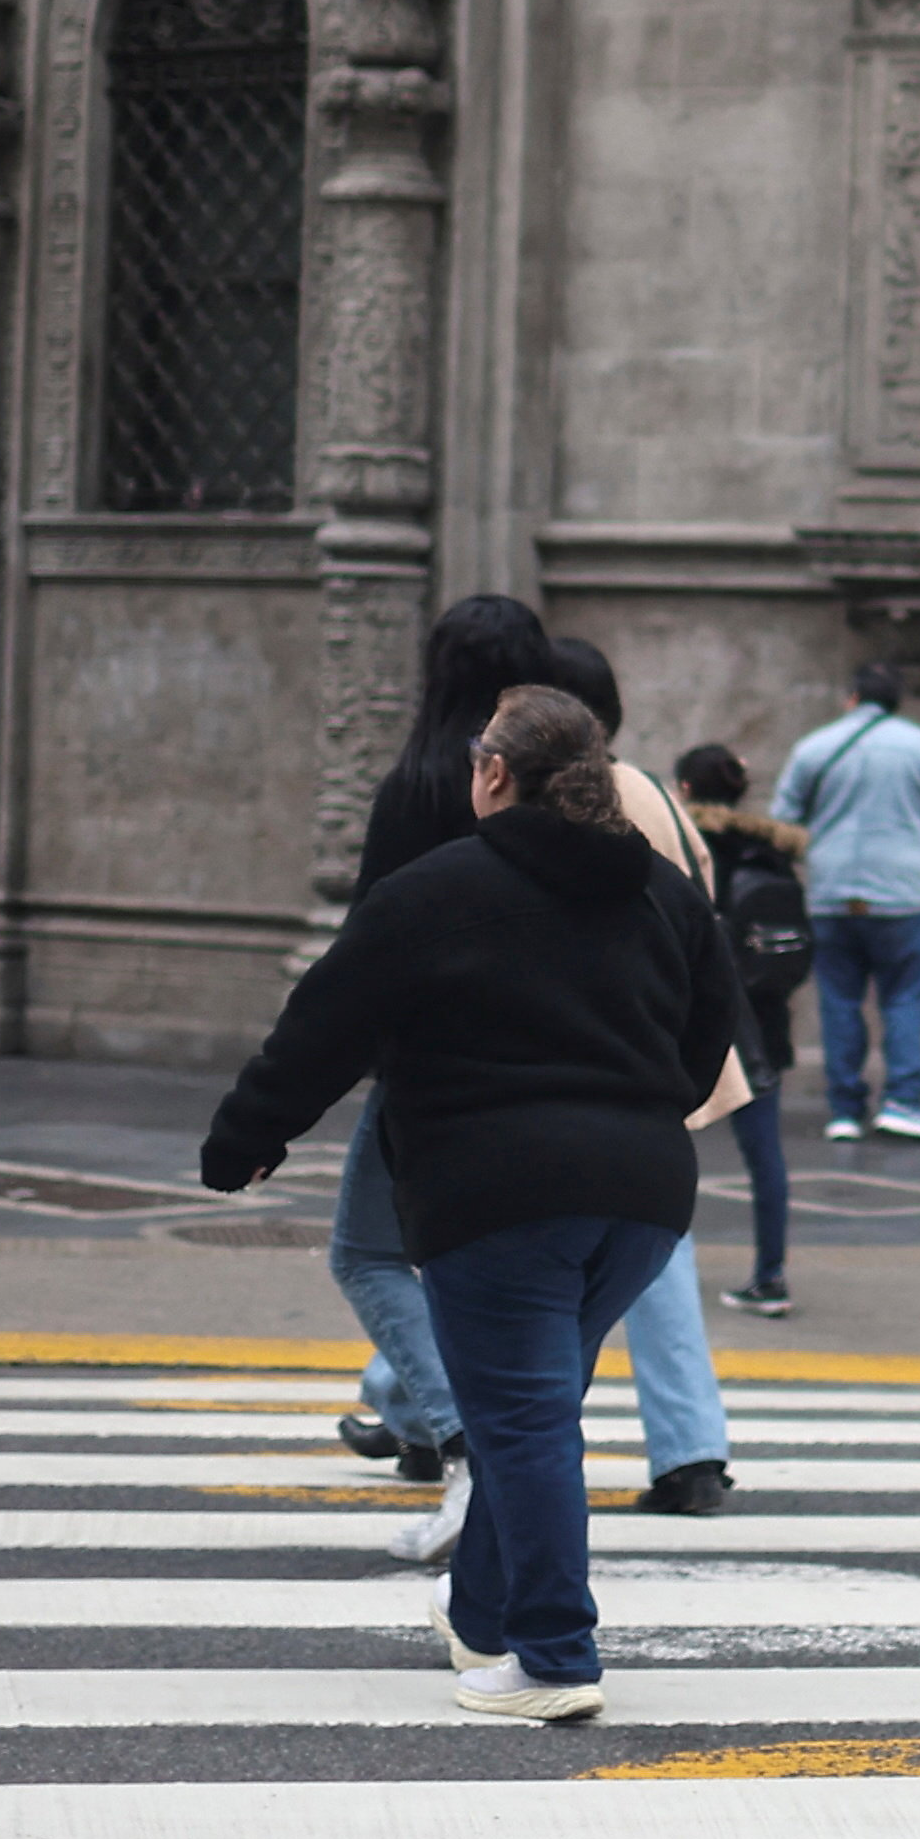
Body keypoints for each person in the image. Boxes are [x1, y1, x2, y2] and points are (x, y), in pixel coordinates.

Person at [201, 684, 749, 1723]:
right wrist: (632, 1113)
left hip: (497, 1190)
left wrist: (243, 1143)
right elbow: (708, 1035)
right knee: (528, 1415)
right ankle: (485, 1617)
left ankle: (551, 1654)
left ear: (493, 772)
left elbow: (322, 1026)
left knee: (526, 1421)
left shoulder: (434, 889)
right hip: (639, 1196)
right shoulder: (665, 894)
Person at [324, 593, 559, 1520]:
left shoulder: (421, 784)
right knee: (488, 1265)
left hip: (435, 1068)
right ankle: (427, 1429)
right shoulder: (580, 793)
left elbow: (366, 948)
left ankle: (463, 1437)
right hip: (558, 1065)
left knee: (368, 1252)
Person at [547, 636, 740, 1517]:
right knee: (654, 1248)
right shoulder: (656, 791)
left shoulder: (566, 798)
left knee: (485, 1245)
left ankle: (419, 1407)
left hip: (589, 1053)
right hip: (666, 1057)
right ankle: (691, 1451)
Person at [771, 661, 920, 1143]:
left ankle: (844, 1110)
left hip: (832, 894)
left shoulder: (815, 746)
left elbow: (783, 820)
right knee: (903, 998)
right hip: (900, 894)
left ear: (851, 697)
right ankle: (903, 1100)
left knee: (838, 1000)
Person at [676, 742, 809, 1320]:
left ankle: (655, 1273)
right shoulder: (772, 852)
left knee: (664, 1147)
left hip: (693, 1019)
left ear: (683, 790)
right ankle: (771, 1275)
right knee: (765, 1157)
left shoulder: (683, 846)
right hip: (762, 1022)